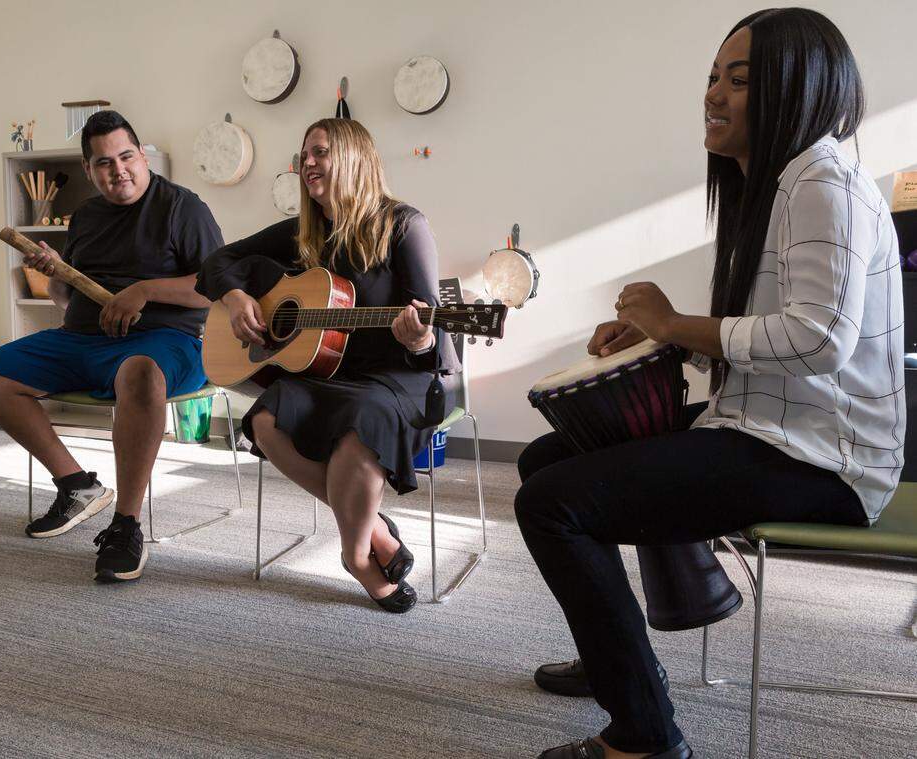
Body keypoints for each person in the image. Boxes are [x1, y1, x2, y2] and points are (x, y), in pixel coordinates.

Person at [515, 9, 903, 758]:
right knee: (544, 462)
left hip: (827, 459)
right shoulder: (783, 184)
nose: (713, 94)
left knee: (550, 502)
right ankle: (622, 660)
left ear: (798, 87)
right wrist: (663, 337)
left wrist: (677, 324)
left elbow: (819, 340)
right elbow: (774, 332)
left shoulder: (823, 183)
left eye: (739, 80)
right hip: (776, 428)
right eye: (712, 77)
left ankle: (645, 734)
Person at [196, 118, 460, 613]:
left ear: (356, 158)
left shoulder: (405, 225)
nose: (307, 164)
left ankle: (358, 556)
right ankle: (375, 527)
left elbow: (428, 335)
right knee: (267, 419)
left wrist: (420, 334)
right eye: (304, 156)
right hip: (334, 374)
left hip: (403, 377)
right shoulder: (304, 234)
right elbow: (216, 261)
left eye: (320, 152)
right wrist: (234, 298)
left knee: (361, 420)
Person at [0, 111, 222, 584]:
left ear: (142, 155)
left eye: (126, 157)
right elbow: (68, 299)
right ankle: (77, 485)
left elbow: (216, 289)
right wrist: (58, 275)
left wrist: (145, 289)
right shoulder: (86, 215)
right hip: (83, 338)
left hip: (167, 343)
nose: (118, 170)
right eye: (104, 163)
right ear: (89, 170)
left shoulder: (183, 208)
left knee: (141, 373)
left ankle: (126, 524)